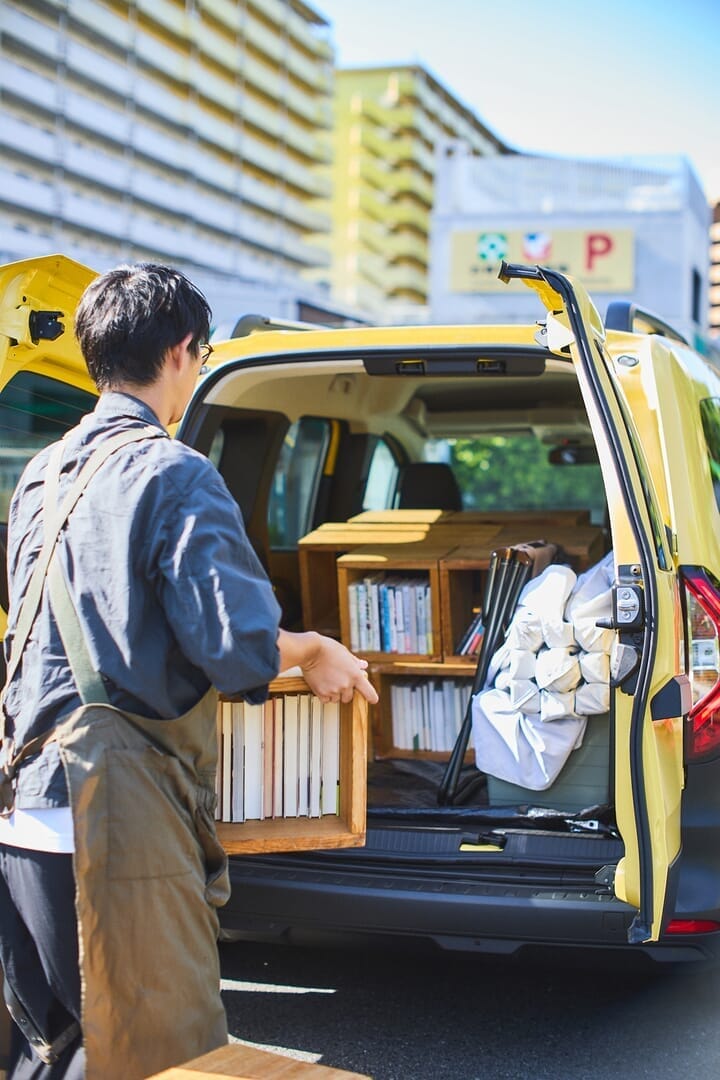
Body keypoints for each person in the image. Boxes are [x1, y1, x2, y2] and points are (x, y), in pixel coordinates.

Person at [0, 263, 378, 1080]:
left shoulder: (40, 474)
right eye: (202, 358)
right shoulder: (174, 472)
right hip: (113, 826)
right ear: (181, 352)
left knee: (54, 1051)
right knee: (166, 1057)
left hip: (23, 811)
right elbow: (236, 647)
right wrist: (314, 650)